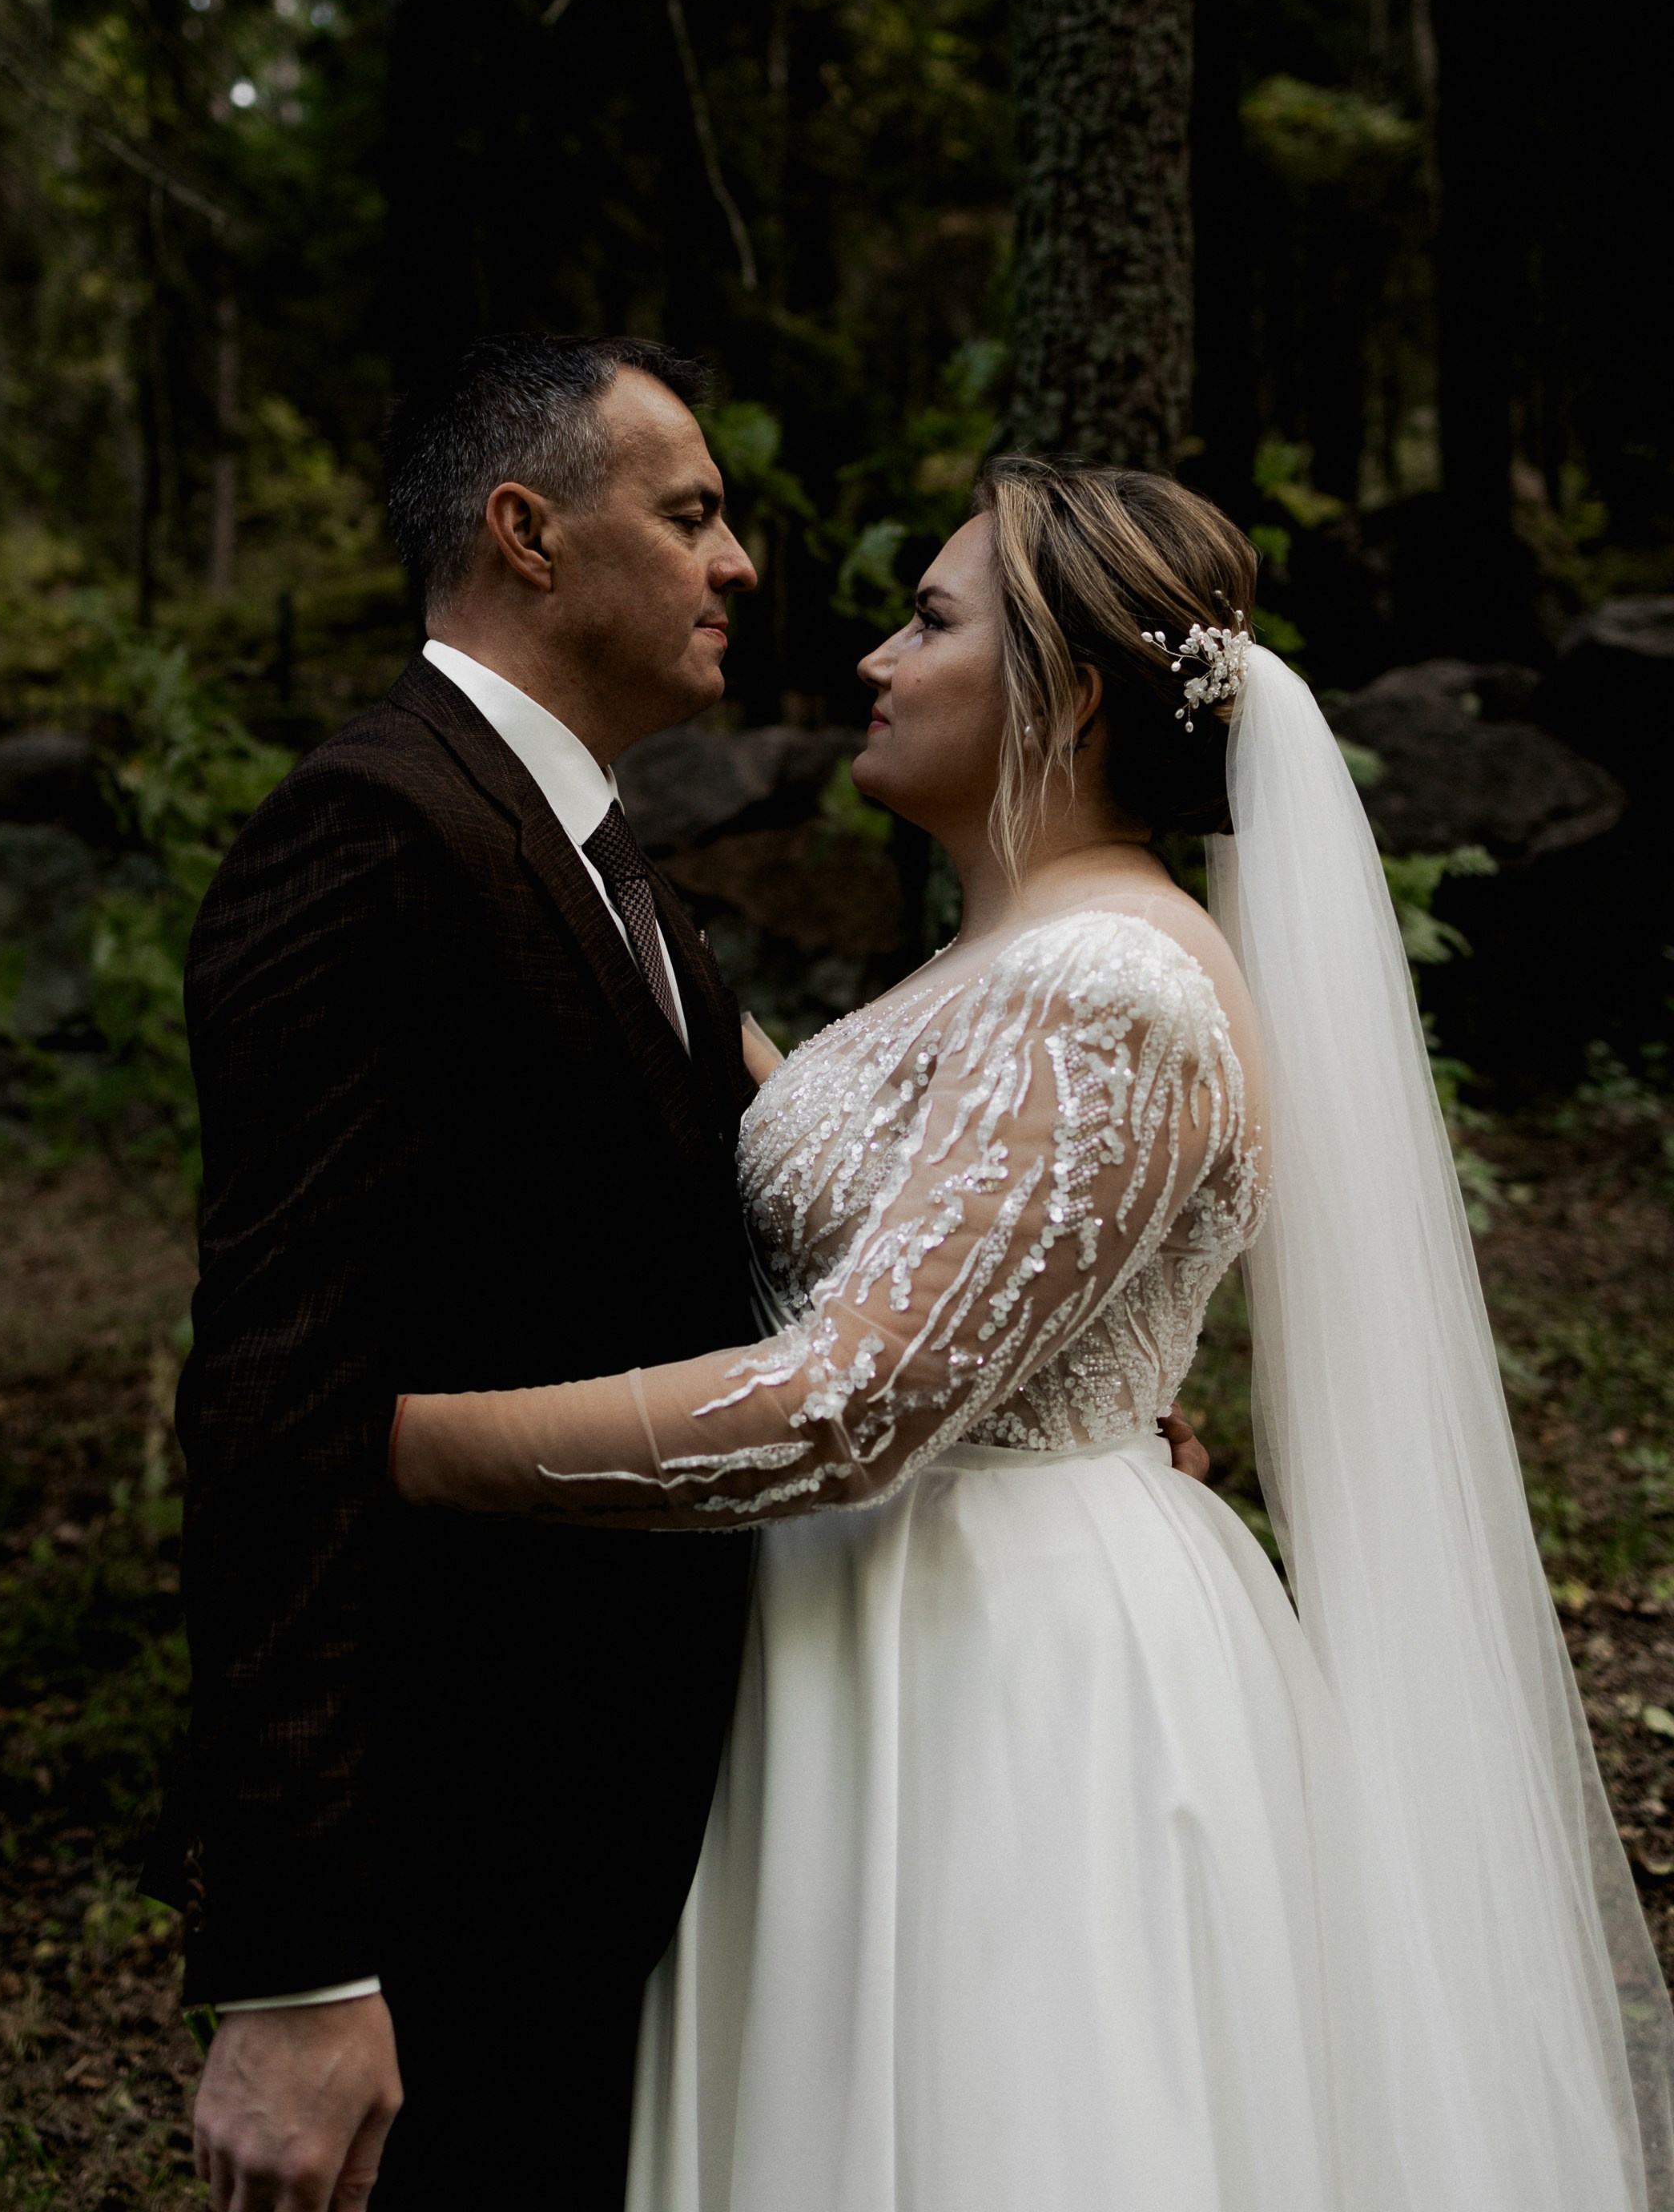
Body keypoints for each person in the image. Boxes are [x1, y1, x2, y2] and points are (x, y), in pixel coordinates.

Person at [394, 458, 1674, 2212]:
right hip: (878, 1623)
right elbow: (848, 1179)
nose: (873, 659)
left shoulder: (1115, 990)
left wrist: (404, 1446)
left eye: (929, 622)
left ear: (1066, 691)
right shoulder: (1005, 971)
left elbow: (846, 1407)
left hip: (1019, 1673)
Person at [160, 338, 1217, 2212]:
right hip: (472, 1826)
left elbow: (818, 1218)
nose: (746, 564)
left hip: (727, 1778)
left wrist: (1064, 1364)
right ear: (529, 534)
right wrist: (294, 1959)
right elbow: (269, 1402)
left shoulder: (592, 859)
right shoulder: (375, 837)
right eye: (694, 511)